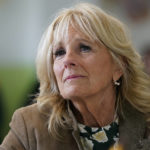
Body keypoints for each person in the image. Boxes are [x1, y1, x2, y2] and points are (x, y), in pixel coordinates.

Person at [1, 2, 150, 150]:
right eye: (59, 52)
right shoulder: (30, 125)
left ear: (119, 66)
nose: (67, 60)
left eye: (84, 48)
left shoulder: (146, 120)